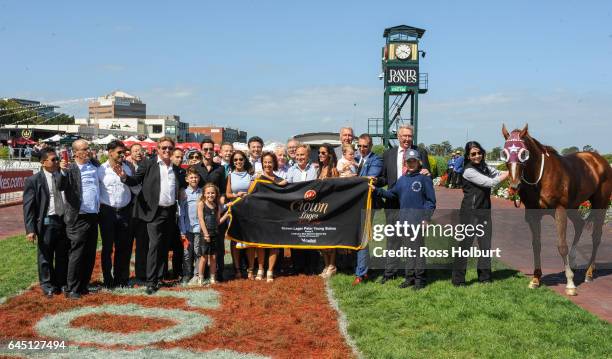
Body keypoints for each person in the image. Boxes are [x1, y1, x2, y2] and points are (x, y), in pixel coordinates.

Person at [118, 137, 183, 295]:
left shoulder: (174, 167)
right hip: (154, 212)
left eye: (169, 148)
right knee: (154, 246)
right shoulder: (149, 163)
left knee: (163, 245)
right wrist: (125, 177)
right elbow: (136, 180)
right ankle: (151, 281)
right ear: (158, 149)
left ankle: (160, 276)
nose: (166, 151)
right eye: (163, 148)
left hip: (170, 211)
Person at [371, 149, 436, 290]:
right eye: (409, 161)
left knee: (417, 251)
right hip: (404, 221)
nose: (411, 163)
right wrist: (376, 190)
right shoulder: (402, 180)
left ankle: (420, 279)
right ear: (405, 163)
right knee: (408, 251)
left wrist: (426, 218)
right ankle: (409, 277)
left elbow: (431, 201)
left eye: (414, 161)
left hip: (418, 222)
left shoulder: (424, 179)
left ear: (419, 162)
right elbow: (391, 194)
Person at [377, 125, 430, 284]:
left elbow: (426, 175)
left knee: (415, 241)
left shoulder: (421, 152)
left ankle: (417, 275)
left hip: (414, 205)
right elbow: (384, 178)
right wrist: (373, 182)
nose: (407, 139)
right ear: (398, 136)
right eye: (404, 136)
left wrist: (428, 172)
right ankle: (390, 272)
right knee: (393, 240)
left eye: (409, 136)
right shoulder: (388, 154)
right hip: (393, 203)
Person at [452, 141, 508, 286]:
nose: (477, 156)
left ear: (482, 153)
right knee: (465, 246)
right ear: (468, 156)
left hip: (484, 211)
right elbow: (489, 183)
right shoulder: (468, 171)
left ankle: (485, 278)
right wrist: (510, 174)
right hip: (469, 213)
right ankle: (458, 280)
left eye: (479, 153)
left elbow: (498, 173)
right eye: (473, 154)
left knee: (485, 246)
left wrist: (511, 170)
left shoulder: (485, 166)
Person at [23, 148, 68, 297]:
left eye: (57, 159)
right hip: (47, 222)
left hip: (63, 220)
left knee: (62, 254)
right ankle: (47, 285)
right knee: (45, 256)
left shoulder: (62, 175)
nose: (57, 162)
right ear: (43, 162)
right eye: (53, 159)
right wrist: (30, 229)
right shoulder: (33, 180)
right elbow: (28, 207)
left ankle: (61, 283)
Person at [59, 139, 101, 299]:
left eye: (88, 148)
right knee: (77, 253)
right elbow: (60, 185)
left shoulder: (94, 165)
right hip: (78, 217)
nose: (87, 151)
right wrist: (62, 171)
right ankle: (72, 288)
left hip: (93, 215)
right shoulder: (69, 169)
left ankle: (84, 285)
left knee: (90, 253)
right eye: (84, 149)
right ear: (75, 152)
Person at [98, 140, 133, 288]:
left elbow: (134, 187)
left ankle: (121, 279)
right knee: (107, 248)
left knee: (123, 247)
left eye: (124, 152)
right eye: (119, 152)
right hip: (107, 212)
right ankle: (108, 279)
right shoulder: (100, 170)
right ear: (110, 152)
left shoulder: (128, 168)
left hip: (125, 212)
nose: (122, 155)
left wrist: (126, 177)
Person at [353, 133, 383, 285]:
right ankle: (362, 268)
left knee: (363, 237)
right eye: (359, 146)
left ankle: (361, 273)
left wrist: (351, 178)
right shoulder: (356, 159)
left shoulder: (376, 159)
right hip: (355, 203)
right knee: (357, 235)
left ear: (371, 146)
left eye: (365, 146)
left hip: (369, 204)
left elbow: (370, 178)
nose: (362, 149)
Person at [286, 144, 319, 274]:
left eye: (302, 155)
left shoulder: (315, 169)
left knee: (310, 235)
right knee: (296, 236)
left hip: (311, 208)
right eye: (298, 155)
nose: (299, 157)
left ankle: (311, 266)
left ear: (308, 156)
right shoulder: (290, 170)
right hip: (296, 208)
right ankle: (297, 266)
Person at [255, 152, 288, 282]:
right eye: (265, 162)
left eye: (270, 162)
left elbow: (284, 183)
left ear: (274, 163)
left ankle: (270, 271)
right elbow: (250, 193)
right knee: (261, 245)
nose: (267, 165)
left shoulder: (279, 179)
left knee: (273, 245)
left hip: (275, 215)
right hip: (260, 215)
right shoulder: (257, 178)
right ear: (262, 163)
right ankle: (261, 269)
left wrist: (269, 179)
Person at [225, 150, 254, 279]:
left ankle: (250, 269)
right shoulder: (230, 175)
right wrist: (236, 195)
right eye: (235, 160)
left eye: (240, 159)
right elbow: (227, 194)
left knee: (249, 240)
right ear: (233, 162)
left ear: (244, 160)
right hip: (234, 212)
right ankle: (237, 269)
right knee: (234, 241)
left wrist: (248, 195)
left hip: (248, 211)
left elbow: (254, 192)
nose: (238, 162)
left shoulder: (251, 175)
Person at [197, 183, 230, 285]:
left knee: (213, 257)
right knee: (203, 258)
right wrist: (206, 234)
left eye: (212, 193)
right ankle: (200, 278)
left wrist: (227, 214)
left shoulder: (216, 206)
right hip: (205, 234)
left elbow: (218, 221)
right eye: (208, 193)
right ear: (204, 194)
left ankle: (212, 277)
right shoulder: (201, 204)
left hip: (215, 234)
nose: (210, 195)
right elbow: (201, 219)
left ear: (216, 194)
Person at [316, 144, 339, 278]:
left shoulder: (334, 170)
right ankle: (326, 264)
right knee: (321, 237)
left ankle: (332, 265)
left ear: (329, 154)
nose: (320, 155)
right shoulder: (320, 169)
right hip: (319, 207)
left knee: (330, 237)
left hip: (330, 207)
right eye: (319, 153)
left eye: (323, 153)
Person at [126, 143, 148, 283]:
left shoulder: (148, 165)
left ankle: (141, 273)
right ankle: (123, 274)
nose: (138, 153)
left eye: (140, 150)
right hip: (128, 210)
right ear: (130, 153)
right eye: (135, 151)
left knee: (142, 244)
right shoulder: (126, 166)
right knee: (126, 244)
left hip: (143, 210)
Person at [178, 167, 203, 286]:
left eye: (196, 177)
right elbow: (181, 213)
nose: (194, 179)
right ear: (187, 179)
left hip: (199, 229)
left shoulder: (202, 192)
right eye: (191, 177)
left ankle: (197, 274)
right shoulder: (183, 193)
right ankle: (186, 274)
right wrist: (182, 230)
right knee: (187, 253)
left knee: (198, 252)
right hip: (187, 229)